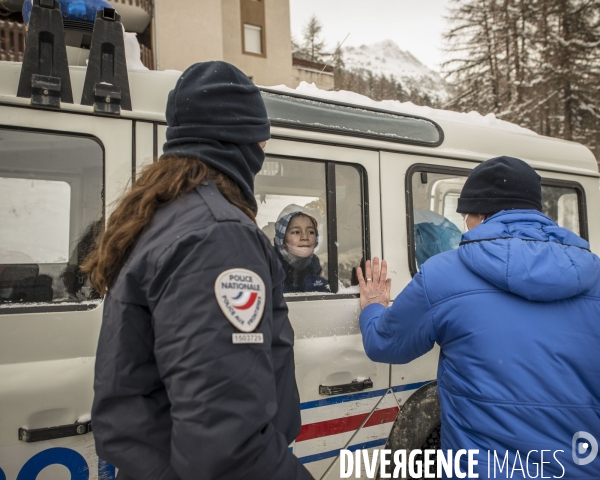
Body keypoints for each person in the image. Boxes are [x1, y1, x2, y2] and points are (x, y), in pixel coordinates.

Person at [83, 62, 313, 480]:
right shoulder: (219, 236)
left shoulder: (165, 216)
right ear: (239, 139)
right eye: (262, 136)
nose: (264, 146)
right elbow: (226, 440)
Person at [357, 156, 600, 478]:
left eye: (466, 216)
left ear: (480, 213)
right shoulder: (594, 274)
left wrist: (374, 305)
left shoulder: (444, 274)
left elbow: (386, 345)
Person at [274, 210, 329, 293]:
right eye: (296, 232)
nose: (304, 237)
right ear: (282, 240)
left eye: (311, 232)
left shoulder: (317, 270)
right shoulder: (270, 270)